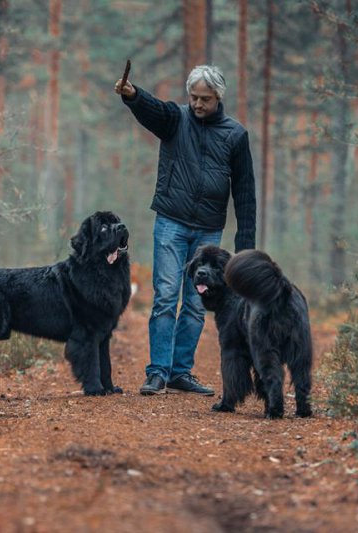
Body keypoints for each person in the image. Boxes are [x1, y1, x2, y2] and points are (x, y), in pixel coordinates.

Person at [114, 65, 257, 396]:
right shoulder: (175, 120)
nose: (197, 104)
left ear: (218, 97)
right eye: (193, 97)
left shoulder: (235, 135)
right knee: (165, 297)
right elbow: (153, 109)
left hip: (209, 232)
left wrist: (245, 247)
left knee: (195, 302)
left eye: (205, 99)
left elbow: (245, 194)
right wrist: (132, 94)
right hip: (171, 223)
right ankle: (158, 373)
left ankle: (181, 372)